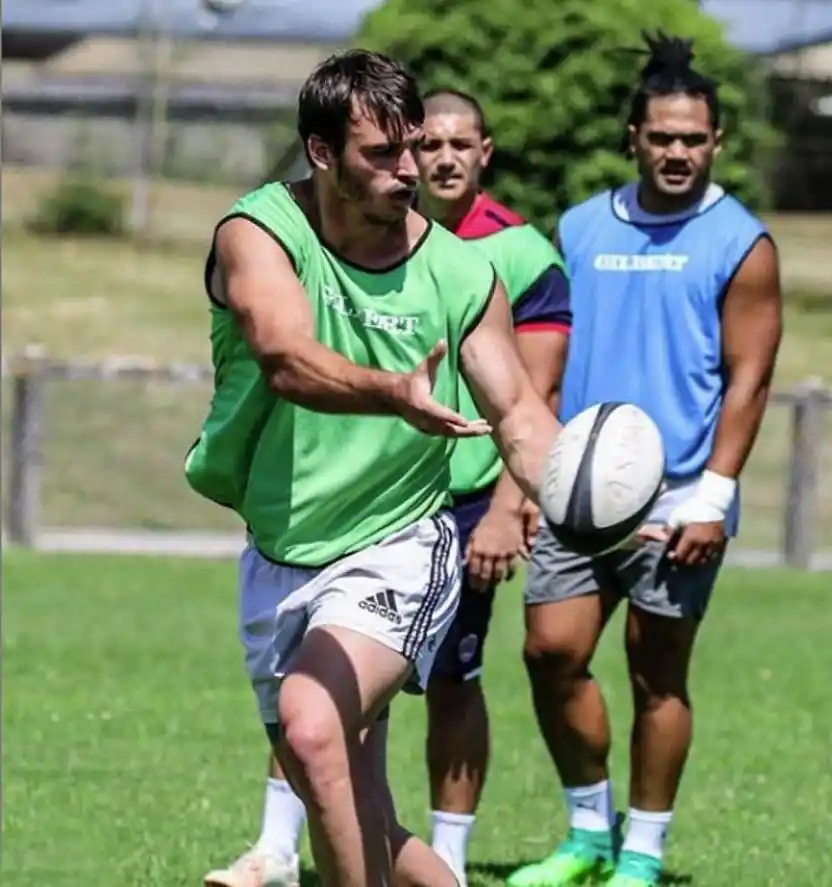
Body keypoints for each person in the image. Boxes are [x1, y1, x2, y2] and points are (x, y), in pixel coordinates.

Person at [186, 49, 562, 887]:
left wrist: (586, 492)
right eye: (382, 154)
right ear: (321, 152)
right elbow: (284, 355)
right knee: (352, 801)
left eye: (413, 147)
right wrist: (394, 391)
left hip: (400, 544)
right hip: (280, 549)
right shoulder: (260, 233)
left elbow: (519, 413)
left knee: (311, 722)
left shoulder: (462, 272)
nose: (410, 171)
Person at [506, 32, 783, 887]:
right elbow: (550, 353)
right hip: (578, 490)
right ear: (634, 137)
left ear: (717, 142)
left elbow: (750, 378)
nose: (677, 152)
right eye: (661, 137)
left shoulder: (742, 242)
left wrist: (714, 495)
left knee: (656, 674)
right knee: (550, 652)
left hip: (679, 498)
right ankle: (589, 835)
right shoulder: (581, 228)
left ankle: (643, 854)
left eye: (693, 139)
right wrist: (533, 476)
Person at [416, 89, 571, 887]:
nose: (443, 158)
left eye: (459, 144)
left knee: (453, 677)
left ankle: (446, 856)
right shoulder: (372, 234)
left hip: (472, 503)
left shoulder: (522, 252)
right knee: (330, 667)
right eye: (429, 143)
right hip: (376, 495)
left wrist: (509, 507)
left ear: (485, 152)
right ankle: (279, 847)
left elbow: (536, 395)